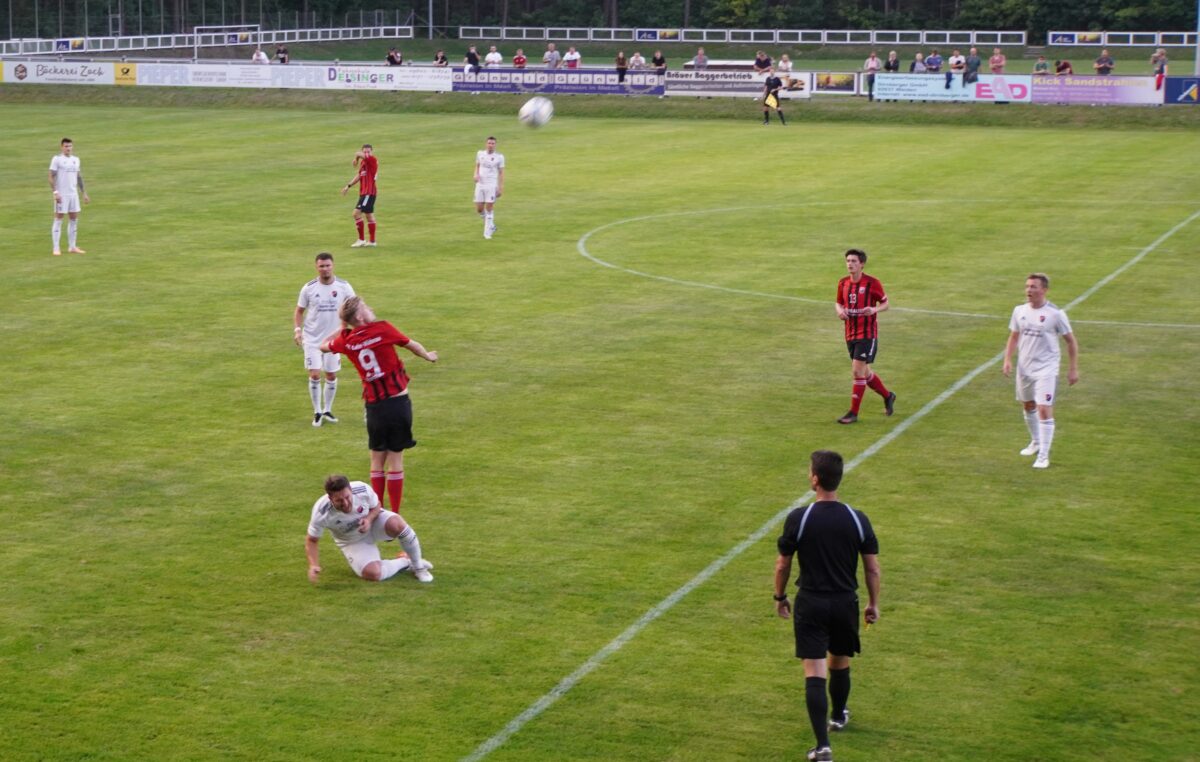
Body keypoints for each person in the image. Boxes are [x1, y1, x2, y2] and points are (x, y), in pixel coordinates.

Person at [775, 450, 881, 762]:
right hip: (845, 602)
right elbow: (872, 569)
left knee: (815, 671)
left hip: (811, 602)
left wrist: (780, 597)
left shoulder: (800, 518)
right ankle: (838, 716)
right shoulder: (857, 519)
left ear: (815, 479)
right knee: (840, 662)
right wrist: (873, 604)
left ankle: (822, 747)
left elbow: (783, 564)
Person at [320, 296, 438, 511]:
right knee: (395, 460)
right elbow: (411, 345)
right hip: (398, 403)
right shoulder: (382, 329)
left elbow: (323, 346)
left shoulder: (346, 341)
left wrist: (342, 327)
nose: (370, 308)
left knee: (376, 461)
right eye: (365, 307)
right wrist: (428, 356)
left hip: (374, 407)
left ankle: (377, 510)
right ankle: (394, 513)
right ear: (359, 316)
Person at [1002, 273, 1079, 469]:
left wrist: (1072, 369)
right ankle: (1036, 442)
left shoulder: (1056, 314)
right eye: (1027, 286)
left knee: (1044, 409)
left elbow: (1071, 341)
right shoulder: (1019, 311)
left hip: (1047, 369)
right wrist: (1007, 359)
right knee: (1028, 405)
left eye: (1033, 287)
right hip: (1024, 368)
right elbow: (1014, 336)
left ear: (1044, 290)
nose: (1029, 290)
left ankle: (1043, 456)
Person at [306, 474, 434, 584]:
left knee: (397, 524)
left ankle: (419, 567)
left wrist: (368, 519)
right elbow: (312, 540)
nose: (345, 503)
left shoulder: (362, 489)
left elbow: (377, 506)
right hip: (351, 541)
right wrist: (313, 565)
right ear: (330, 498)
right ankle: (406, 562)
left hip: (373, 523)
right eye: (339, 500)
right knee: (373, 574)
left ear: (351, 490)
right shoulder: (321, 512)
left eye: (347, 497)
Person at [294, 253, 356, 427]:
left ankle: (327, 410)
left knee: (331, 374)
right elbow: (299, 311)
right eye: (321, 266)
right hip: (312, 339)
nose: (325, 269)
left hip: (333, 340)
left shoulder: (344, 286)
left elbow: (353, 307)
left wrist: (348, 328)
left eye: (328, 265)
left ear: (333, 266)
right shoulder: (309, 288)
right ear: (316, 267)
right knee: (315, 374)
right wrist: (297, 330)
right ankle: (317, 412)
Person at [835, 249, 895, 424]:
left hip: (867, 334)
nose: (850, 264)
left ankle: (853, 413)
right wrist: (840, 311)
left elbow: (886, 304)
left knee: (857, 371)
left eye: (854, 261)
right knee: (865, 372)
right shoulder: (843, 283)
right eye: (848, 261)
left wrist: (874, 309)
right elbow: (838, 302)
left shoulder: (872, 283)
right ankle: (888, 396)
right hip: (850, 333)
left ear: (862, 264)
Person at [48, 137, 89, 256]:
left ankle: (72, 247)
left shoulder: (76, 160)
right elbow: (50, 176)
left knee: (74, 219)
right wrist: (55, 192)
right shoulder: (57, 159)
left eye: (70, 146)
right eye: (66, 146)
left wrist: (84, 193)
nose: (68, 148)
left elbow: (78, 177)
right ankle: (56, 248)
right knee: (58, 219)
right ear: (62, 147)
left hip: (73, 194)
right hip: (62, 194)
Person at [341, 144, 378, 248]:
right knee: (369, 215)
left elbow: (358, 153)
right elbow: (359, 176)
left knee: (356, 214)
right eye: (365, 151)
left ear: (372, 152)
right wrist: (348, 186)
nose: (366, 153)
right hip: (365, 193)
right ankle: (372, 241)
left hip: (368, 193)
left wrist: (356, 158)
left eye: (368, 151)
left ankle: (361, 240)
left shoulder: (372, 160)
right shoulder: (363, 163)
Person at [474, 136, 505, 240]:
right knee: (479, 209)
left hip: (491, 185)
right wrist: (475, 175)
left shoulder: (499, 157)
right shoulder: (480, 154)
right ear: (486, 144)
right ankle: (491, 226)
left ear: (495, 145)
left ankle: (487, 233)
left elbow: (501, 173)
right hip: (480, 184)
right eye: (489, 143)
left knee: (489, 208)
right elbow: (477, 165)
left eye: (493, 143)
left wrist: (500, 188)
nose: (491, 145)